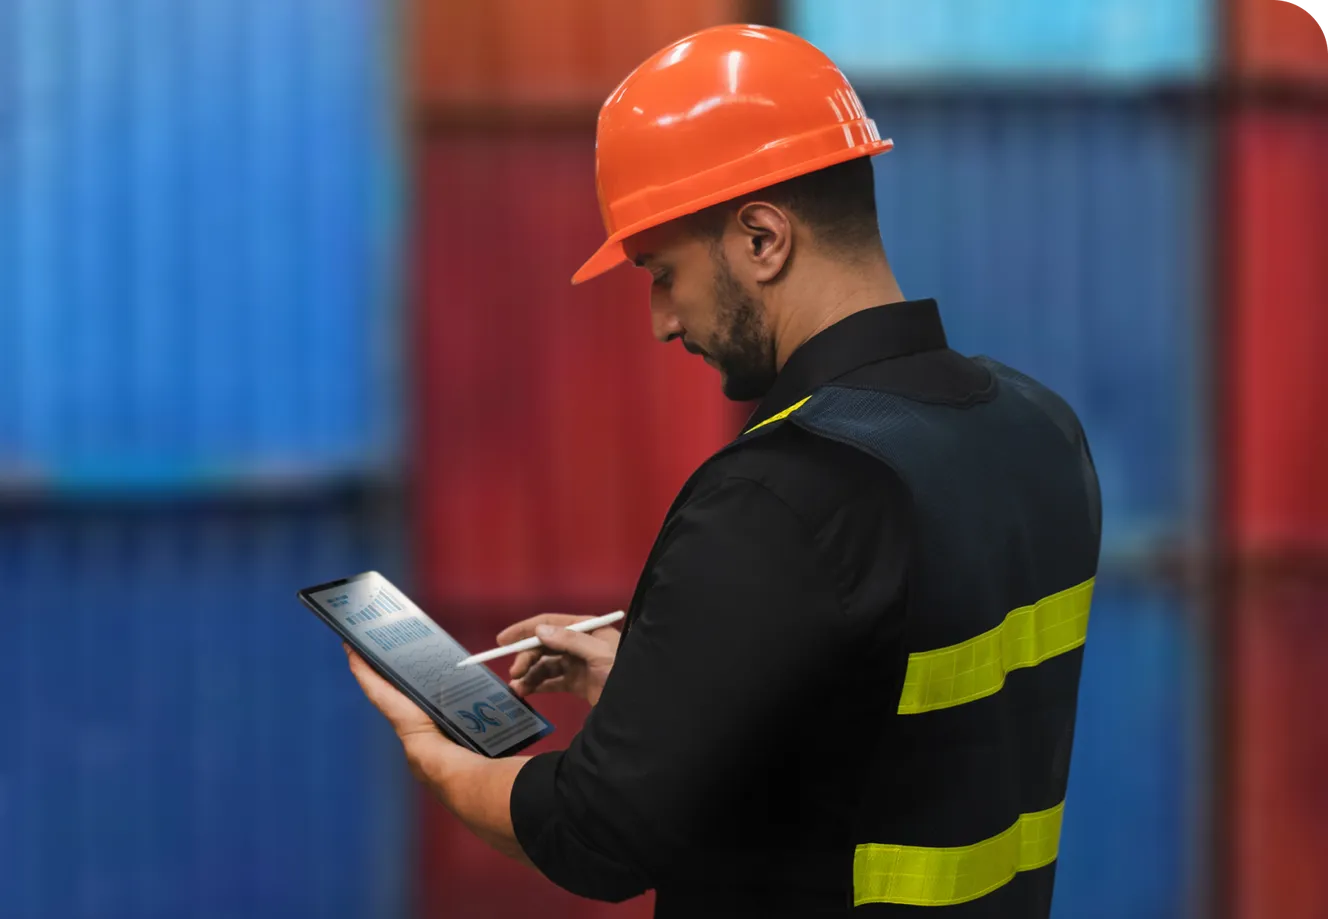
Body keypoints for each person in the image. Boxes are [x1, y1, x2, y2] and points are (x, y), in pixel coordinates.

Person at [346, 23, 1102, 917]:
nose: (663, 321)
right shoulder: (1041, 427)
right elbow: (893, 718)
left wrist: (435, 753)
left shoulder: (784, 490)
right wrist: (676, 682)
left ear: (762, 239)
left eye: (660, 272)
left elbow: (599, 830)